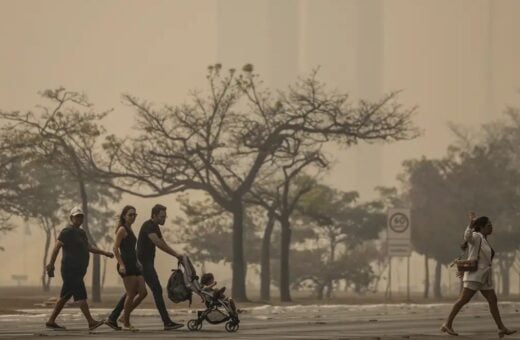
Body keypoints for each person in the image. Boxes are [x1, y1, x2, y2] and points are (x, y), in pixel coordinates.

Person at [106, 204, 184, 331]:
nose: (164, 219)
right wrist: (176, 254)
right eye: (162, 216)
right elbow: (158, 244)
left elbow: (162, 241)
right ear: (154, 215)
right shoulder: (148, 226)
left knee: (137, 292)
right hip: (143, 263)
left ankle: (115, 317)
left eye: (134, 215)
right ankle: (166, 322)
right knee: (155, 290)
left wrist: (177, 254)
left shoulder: (153, 227)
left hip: (139, 263)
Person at [441, 212, 516, 338]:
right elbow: (467, 236)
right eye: (488, 225)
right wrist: (470, 224)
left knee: (493, 300)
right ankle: (447, 324)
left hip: (484, 277)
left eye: (491, 224)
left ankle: (501, 328)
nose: (491, 227)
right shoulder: (476, 236)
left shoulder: (484, 239)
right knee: (463, 300)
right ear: (481, 227)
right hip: (475, 276)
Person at [45, 206, 114, 330]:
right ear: (71, 218)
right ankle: (91, 322)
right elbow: (57, 247)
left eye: (81, 216)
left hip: (79, 270)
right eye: (76, 216)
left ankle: (51, 321)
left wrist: (105, 253)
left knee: (65, 296)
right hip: (70, 269)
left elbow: (89, 248)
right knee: (81, 295)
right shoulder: (67, 232)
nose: (79, 219)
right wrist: (51, 263)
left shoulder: (81, 233)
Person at [105, 206, 147, 331]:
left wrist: (138, 262)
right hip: (126, 264)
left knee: (143, 292)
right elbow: (115, 248)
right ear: (124, 216)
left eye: (135, 215)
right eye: (130, 215)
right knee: (130, 294)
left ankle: (123, 316)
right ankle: (126, 323)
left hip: (134, 264)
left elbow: (132, 249)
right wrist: (122, 264)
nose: (133, 217)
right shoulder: (122, 229)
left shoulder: (130, 228)